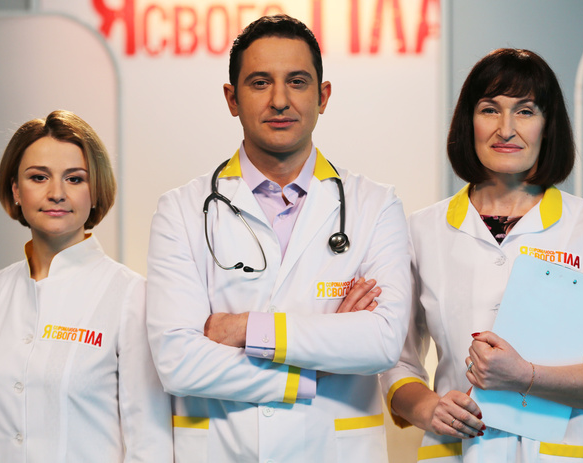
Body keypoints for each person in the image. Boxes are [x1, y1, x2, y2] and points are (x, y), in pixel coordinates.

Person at [146, 14, 411, 463]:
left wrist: (242, 329)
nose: (280, 100)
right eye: (260, 83)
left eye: (297, 82)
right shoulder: (181, 210)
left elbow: (382, 342)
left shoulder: (376, 205)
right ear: (232, 99)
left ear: (323, 96)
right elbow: (178, 362)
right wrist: (317, 365)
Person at [380, 48, 583, 462]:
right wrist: (428, 408)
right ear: (468, 122)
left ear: (547, 125)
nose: (506, 129)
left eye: (525, 111)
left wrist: (527, 377)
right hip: (458, 450)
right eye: (490, 109)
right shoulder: (421, 230)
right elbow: (395, 360)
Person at [0, 110, 173, 462]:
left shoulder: (130, 295)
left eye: (75, 179)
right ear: (16, 190)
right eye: (38, 177)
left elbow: (149, 445)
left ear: (96, 192)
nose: (56, 193)